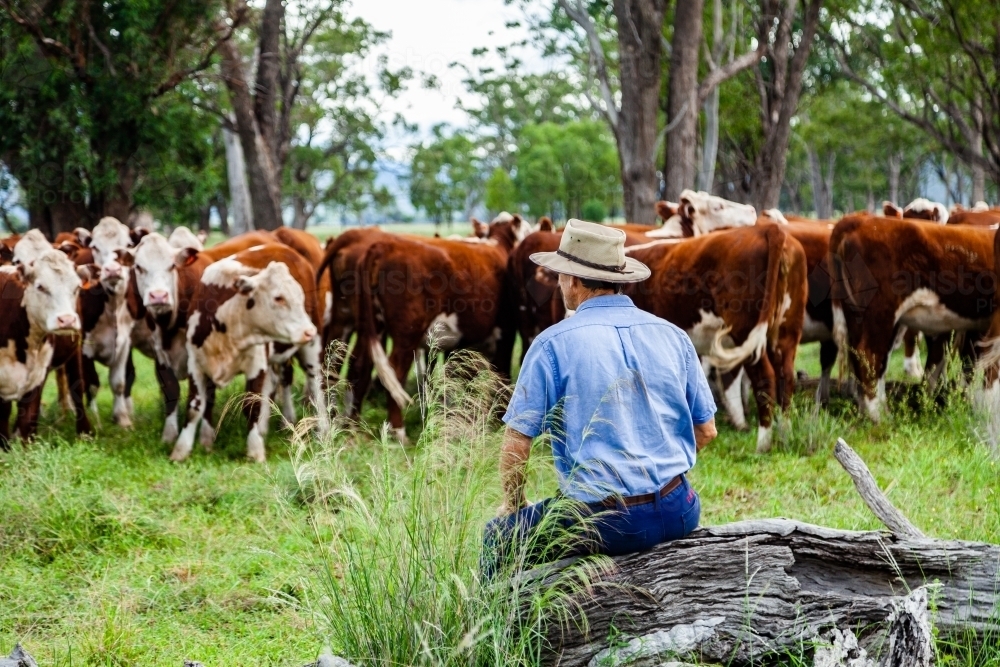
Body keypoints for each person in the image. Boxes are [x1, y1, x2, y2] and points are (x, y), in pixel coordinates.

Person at [482, 219, 717, 578]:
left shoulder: (552, 344)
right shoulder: (673, 336)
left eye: (561, 274)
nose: (560, 282)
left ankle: (496, 630)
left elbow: (516, 445)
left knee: (498, 537)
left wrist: (514, 504)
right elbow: (707, 430)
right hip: (678, 509)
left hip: (602, 519)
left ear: (573, 280)